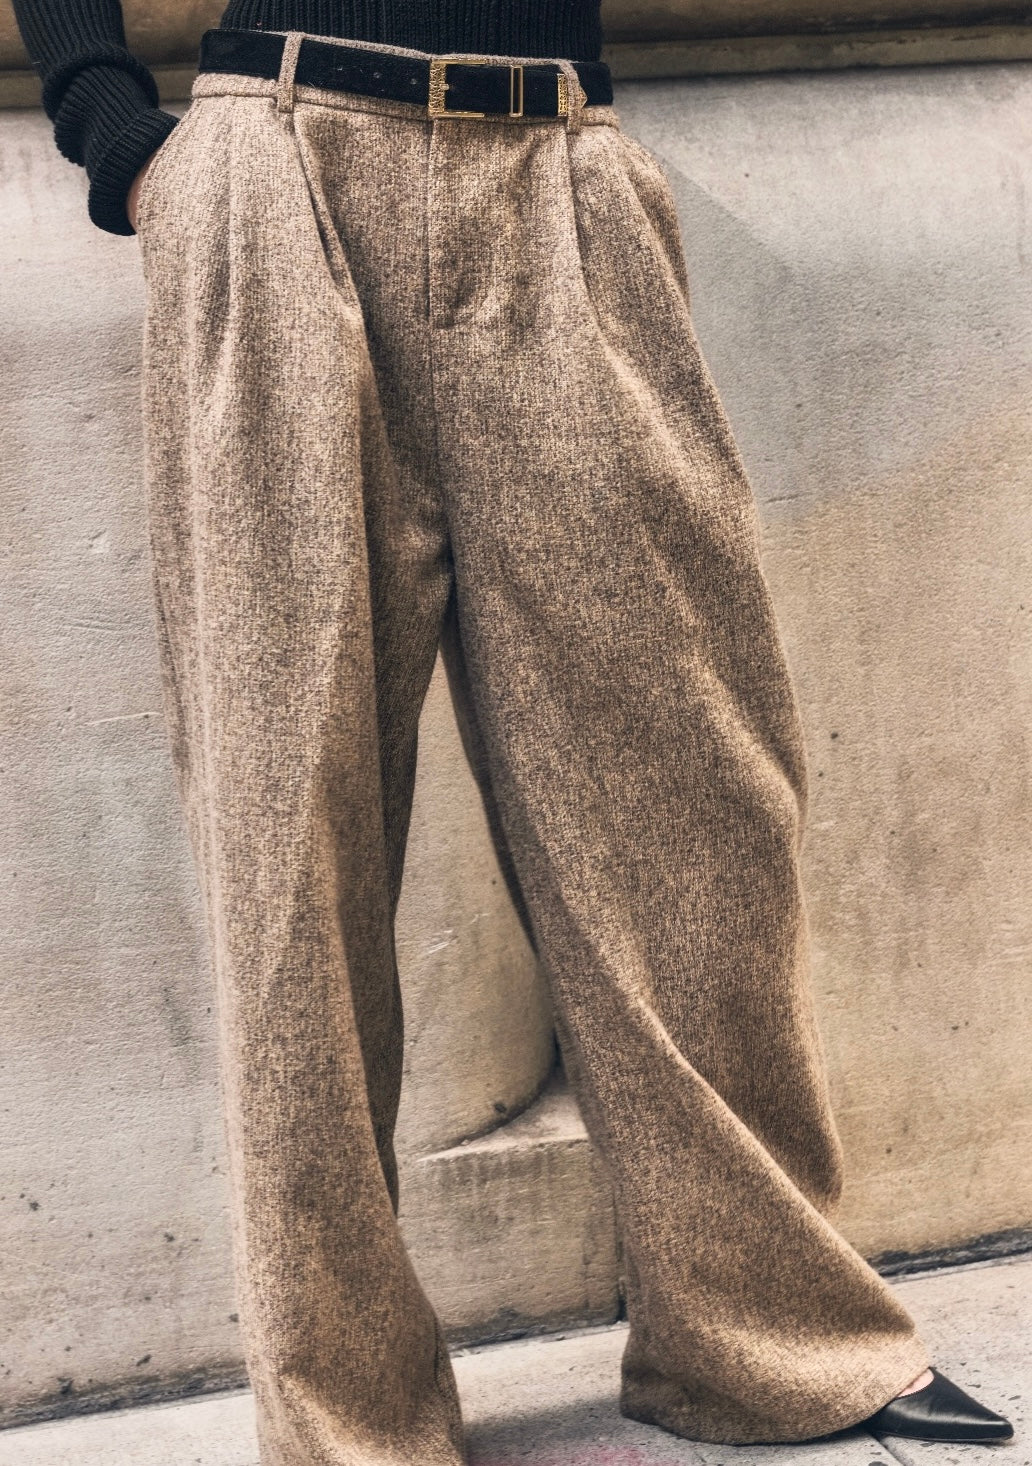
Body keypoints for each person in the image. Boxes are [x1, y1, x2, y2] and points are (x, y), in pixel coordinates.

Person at [12, 3, 1015, 1463]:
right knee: (291, 845)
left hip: (561, 171)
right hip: (283, 168)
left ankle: (761, 1333)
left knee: (697, 800)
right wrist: (115, 134)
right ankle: (352, 1419)